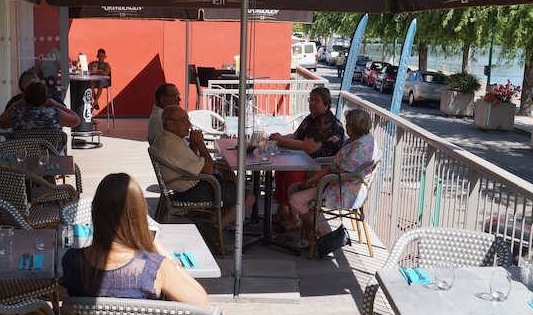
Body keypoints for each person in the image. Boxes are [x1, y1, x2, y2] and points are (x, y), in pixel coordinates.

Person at [58, 173, 230, 315]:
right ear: (139, 214)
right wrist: (167, 258)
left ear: (96, 213)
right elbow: (204, 307)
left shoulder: (72, 262)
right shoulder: (154, 266)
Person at [151, 105, 254, 230]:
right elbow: (209, 170)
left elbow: (188, 162)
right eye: (183, 121)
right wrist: (201, 144)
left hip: (186, 186)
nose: (189, 125)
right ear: (170, 124)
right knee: (249, 198)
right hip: (193, 192)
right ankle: (216, 229)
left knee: (229, 175)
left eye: (188, 120)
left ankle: (214, 217)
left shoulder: (166, 139)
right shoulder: (174, 146)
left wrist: (194, 145)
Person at [286, 109, 376, 248]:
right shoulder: (357, 139)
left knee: (295, 199)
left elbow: (339, 174)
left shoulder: (361, 148)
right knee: (293, 188)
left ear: (353, 127)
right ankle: (311, 235)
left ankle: (323, 235)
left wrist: (315, 183)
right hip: (335, 180)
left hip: (344, 188)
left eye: (348, 124)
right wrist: (311, 181)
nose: (346, 126)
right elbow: (332, 166)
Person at [267, 86, 345, 230]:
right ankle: (283, 210)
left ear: (326, 104)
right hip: (306, 160)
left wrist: (281, 141)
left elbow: (308, 147)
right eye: (311, 100)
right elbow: (296, 136)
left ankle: (294, 218)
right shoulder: (311, 118)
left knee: (293, 174)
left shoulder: (326, 122)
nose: (312, 103)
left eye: (317, 100)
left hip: (320, 167)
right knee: (281, 170)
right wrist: (278, 137)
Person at [0, 80, 80, 131]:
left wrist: (16, 104)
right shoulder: (55, 113)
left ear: (25, 97)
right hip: (51, 152)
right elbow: (76, 120)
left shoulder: (17, 114)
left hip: (25, 152)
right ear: (46, 96)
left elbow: (0, 123)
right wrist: (56, 104)